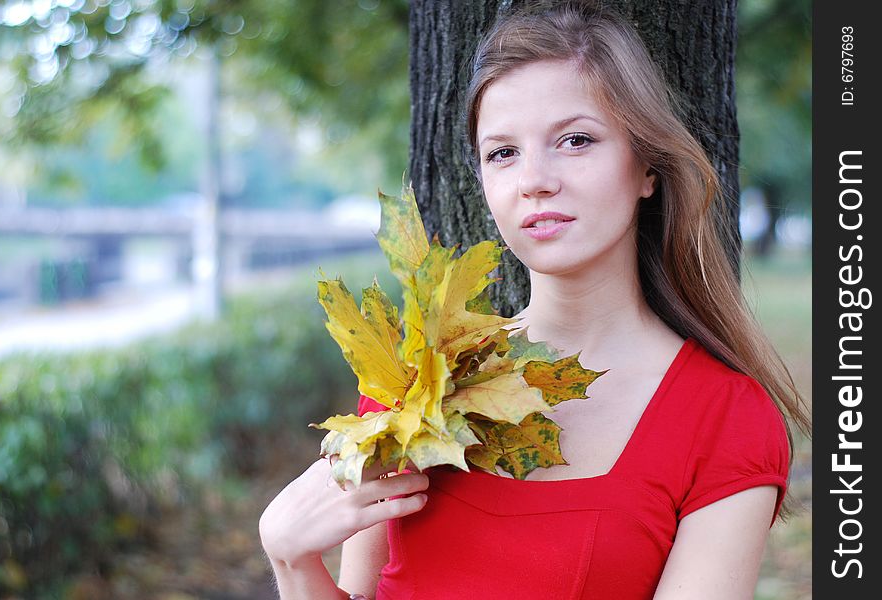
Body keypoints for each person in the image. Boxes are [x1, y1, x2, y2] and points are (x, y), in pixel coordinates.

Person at [258, 2, 809, 598]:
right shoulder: (415, 380)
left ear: (647, 166)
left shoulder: (724, 419)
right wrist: (292, 563)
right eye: (503, 152)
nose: (535, 179)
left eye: (575, 140)